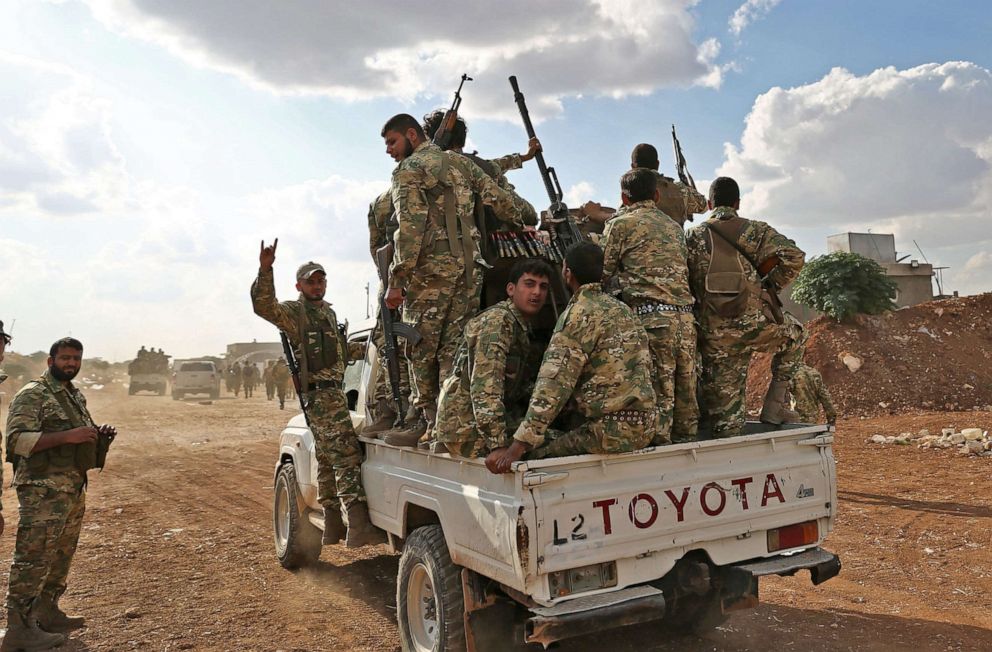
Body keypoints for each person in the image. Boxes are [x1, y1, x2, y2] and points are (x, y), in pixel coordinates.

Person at [379, 113, 524, 445]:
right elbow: (498, 198)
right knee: (453, 351)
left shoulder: (408, 171)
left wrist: (397, 279)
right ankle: (447, 427)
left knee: (418, 347)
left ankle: (427, 421)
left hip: (431, 275)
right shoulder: (459, 164)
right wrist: (520, 223)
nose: (389, 150)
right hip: (470, 271)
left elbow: (410, 230)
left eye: (392, 142)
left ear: (412, 135)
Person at [251, 240, 381, 547]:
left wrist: (369, 350)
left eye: (321, 280)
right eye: (311, 281)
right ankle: (358, 524)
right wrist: (266, 269)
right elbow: (264, 307)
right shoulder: (296, 313)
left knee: (325, 457)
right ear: (299, 285)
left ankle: (333, 522)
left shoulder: (327, 314)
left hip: (332, 393)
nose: (317, 284)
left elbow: (337, 353)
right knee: (347, 455)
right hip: (321, 397)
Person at [486, 243, 657, 473]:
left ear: (567, 273)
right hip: (646, 426)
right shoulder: (623, 310)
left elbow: (553, 385)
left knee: (537, 452)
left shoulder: (578, 315)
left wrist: (517, 447)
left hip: (610, 433)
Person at [3, 337, 117, 650]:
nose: (71, 364)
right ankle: (18, 629)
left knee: (60, 556)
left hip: (70, 488)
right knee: (33, 558)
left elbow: (79, 436)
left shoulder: (72, 395)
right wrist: (69, 436)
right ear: (50, 360)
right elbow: (16, 441)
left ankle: (46, 612)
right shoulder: (34, 393)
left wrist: (97, 437)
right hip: (42, 491)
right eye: (65, 358)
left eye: (76, 359)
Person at [686, 176, 806, 438]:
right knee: (795, 334)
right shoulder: (756, 230)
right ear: (738, 203)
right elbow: (794, 257)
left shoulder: (692, 236)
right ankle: (775, 407)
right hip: (753, 326)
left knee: (726, 425)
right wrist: (768, 287)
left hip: (714, 336)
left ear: (708, 203)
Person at [601, 168, 697, 444]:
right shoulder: (674, 228)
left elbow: (603, 272)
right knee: (686, 393)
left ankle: (661, 455)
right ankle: (691, 449)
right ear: (656, 195)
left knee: (659, 395)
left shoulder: (620, 224)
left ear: (623, 198)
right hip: (686, 321)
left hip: (652, 320)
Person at [433, 259, 552, 457]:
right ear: (511, 289)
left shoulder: (518, 325)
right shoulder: (498, 321)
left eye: (543, 287)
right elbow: (485, 387)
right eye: (529, 284)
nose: (537, 292)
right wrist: (496, 445)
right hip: (468, 432)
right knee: (561, 441)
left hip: (476, 426)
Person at [363, 189, 413, 435]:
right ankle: (397, 408)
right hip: (415, 277)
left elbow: (376, 247)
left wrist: (388, 276)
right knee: (393, 344)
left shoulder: (380, 201)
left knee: (389, 342)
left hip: (394, 277)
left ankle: (397, 409)